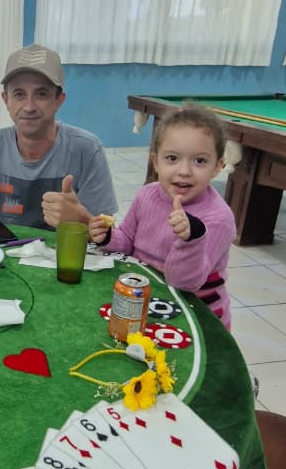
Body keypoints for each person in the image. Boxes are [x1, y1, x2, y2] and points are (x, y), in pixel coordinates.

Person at [0, 44, 117, 229]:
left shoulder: (87, 150)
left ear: (58, 100)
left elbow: (109, 236)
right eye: (19, 94)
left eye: (41, 94)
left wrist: (81, 220)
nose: (29, 107)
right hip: (3, 248)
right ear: (6, 100)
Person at [89, 104, 236, 327]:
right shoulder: (146, 195)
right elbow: (127, 240)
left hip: (197, 316)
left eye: (199, 161)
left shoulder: (219, 219)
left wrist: (190, 239)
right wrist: (107, 236)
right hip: (144, 300)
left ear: (217, 167)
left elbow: (185, 283)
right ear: (155, 161)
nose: (184, 171)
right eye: (172, 158)